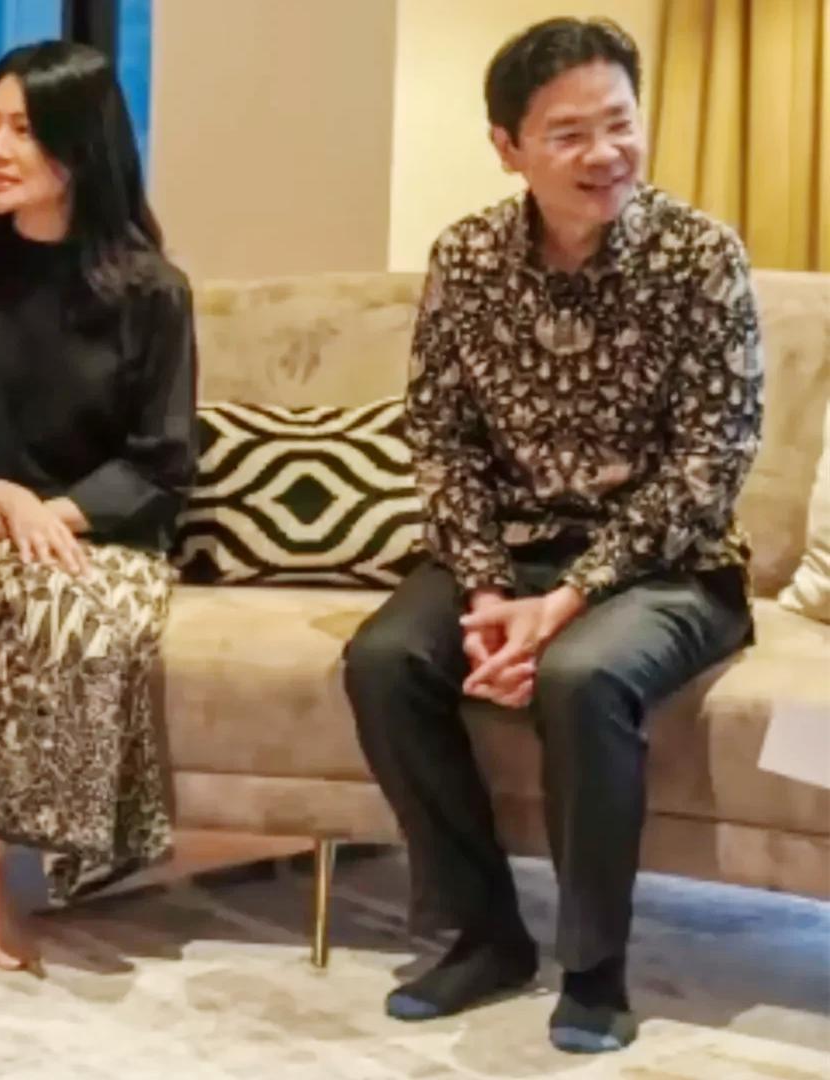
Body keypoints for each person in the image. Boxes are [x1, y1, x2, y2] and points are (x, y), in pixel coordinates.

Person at [343, 18, 761, 1053]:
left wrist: (567, 600)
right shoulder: (468, 257)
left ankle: (594, 968)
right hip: (511, 553)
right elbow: (441, 437)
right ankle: (483, 935)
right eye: (569, 133)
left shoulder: (701, 256)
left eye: (620, 122)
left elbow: (710, 463)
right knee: (386, 659)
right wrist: (489, 592)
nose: (605, 153)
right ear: (508, 146)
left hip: (671, 567)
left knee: (581, 676)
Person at [0, 41, 196, 973]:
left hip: (103, 537)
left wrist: (53, 515)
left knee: (78, 613)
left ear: (80, 149)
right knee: (54, 612)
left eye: (24, 130)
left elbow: (162, 463)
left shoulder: (152, 293)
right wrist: (1, 497)